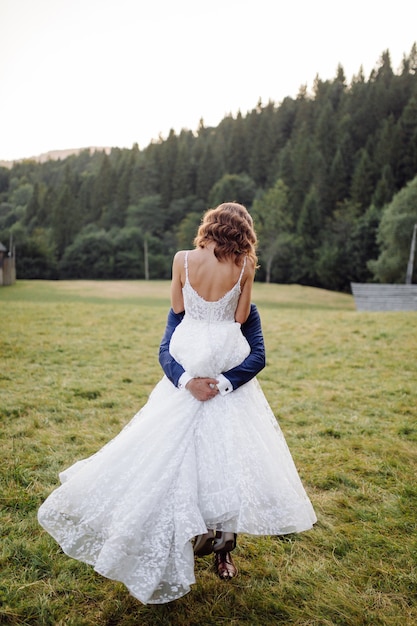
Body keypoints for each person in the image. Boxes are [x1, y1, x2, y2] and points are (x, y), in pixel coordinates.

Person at [38, 202, 317, 605]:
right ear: (244, 234)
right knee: (191, 463)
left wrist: (209, 365)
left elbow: (179, 309)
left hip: (213, 376)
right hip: (192, 378)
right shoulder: (245, 266)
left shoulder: (181, 260)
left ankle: (220, 549)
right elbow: (238, 317)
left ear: (209, 225)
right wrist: (193, 373)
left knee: (220, 463)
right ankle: (191, 540)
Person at [159, 302, 266, 578]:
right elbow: (164, 352)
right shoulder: (183, 309)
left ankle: (224, 550)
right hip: (185, 402)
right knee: (185, 468)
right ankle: (187, 537)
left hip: (230, 402)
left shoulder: (246, 311)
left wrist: (223, 383)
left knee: (226, 470)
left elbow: (258, 356)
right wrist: (188, 382)